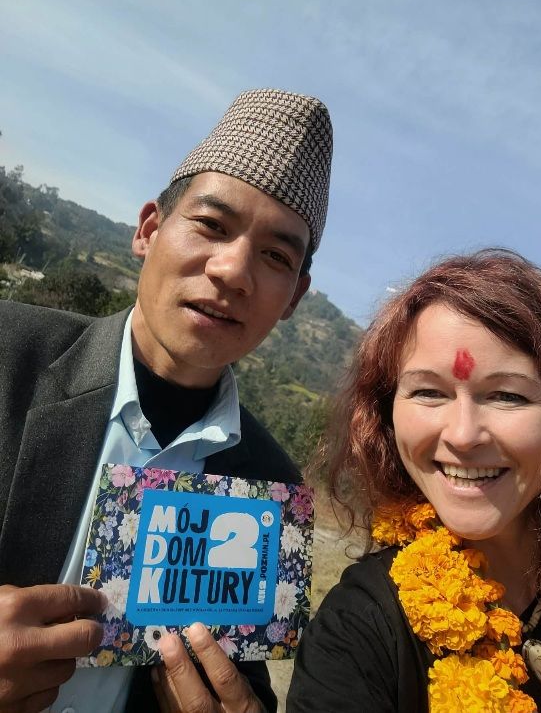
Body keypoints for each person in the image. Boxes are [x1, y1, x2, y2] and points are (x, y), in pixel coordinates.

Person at [0, 88, 333, 713]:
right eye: (211, 225)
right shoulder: (7, 354)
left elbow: (242, 673)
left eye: (275, 256)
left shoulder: (268, 489)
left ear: (293, 297)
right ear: (149, 229)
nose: (233, 271)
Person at [287, 250, 541, 713]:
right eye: (428, 391)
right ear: (386, 416)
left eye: (507, 396)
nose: (462, 435)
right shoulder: (359, 629)